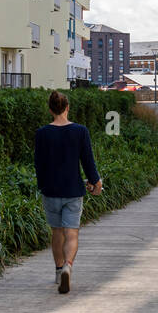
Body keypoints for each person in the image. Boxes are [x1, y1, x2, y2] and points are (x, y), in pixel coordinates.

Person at [34, 90, 102, 294]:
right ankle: (68, 266)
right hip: (73, 189)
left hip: (51, 190)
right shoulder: (80, 131)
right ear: (67, 108)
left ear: (50, 110)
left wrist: (43, 185)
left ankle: (57, 271)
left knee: (56, 232)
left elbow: (39, 165)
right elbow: (88, 161)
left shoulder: (42, 133)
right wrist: (95, 183)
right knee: (71, 233)